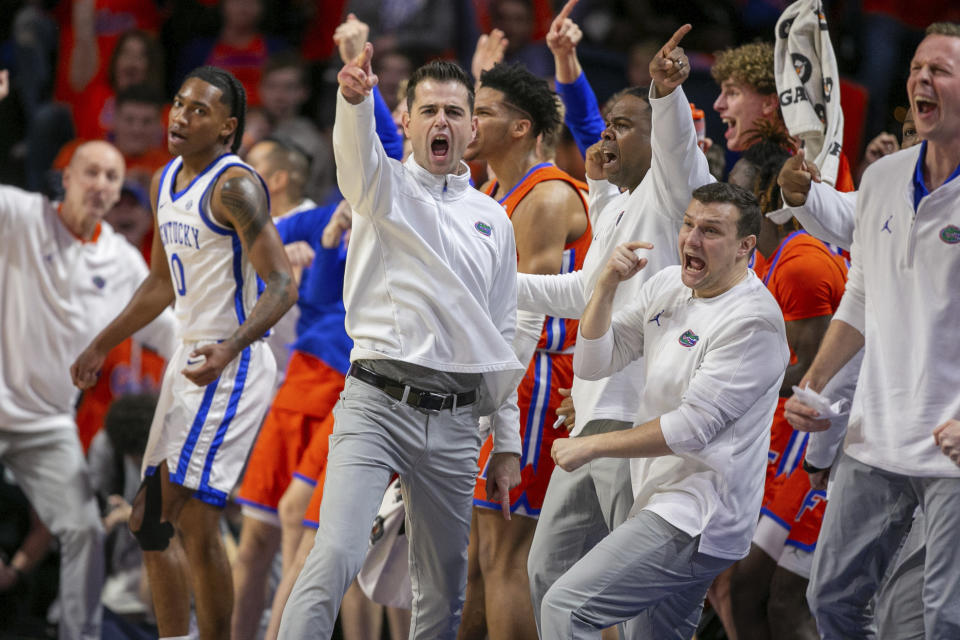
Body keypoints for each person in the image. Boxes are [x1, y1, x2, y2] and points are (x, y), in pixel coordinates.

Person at [276, 48, 524, 639]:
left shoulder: (495, 219)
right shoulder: (379, 186)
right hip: (376, 404)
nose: (442, 121)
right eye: (429, 110)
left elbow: (502, 335)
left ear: (471, 127)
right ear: (406, 122)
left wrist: (508, 441)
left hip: (459, 418)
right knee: (334, 555)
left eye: (455, 112)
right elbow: (354, 154)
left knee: (444, 588)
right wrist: (355, 102)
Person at [71, 66, 298, 640]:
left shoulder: (235, 187)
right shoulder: (163, 178)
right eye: (179, 103)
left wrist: (229, 347)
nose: (180, 115)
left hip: (234, 360)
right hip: (190, 358)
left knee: (174, 517)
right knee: (164, 527)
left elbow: (281, 284)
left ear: (228, 127)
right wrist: (102, 342)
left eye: (199, 110)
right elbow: (158, 284)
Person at [519, 25, 715, 634]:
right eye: (608, 121)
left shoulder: (676, 186)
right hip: (594, 416)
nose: (607, 132)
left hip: (639, 422)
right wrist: (602, 185)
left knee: (637, 610)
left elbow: (679, 147)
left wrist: (665, 95)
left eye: (623, 125)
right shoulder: (624, 204)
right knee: (547, 571)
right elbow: (585, 294)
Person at [544, 182, 789, 638]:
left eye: (711, 231)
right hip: (661, 496)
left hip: (699, 513)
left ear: (745, 247)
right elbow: (594, 362)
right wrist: (603, 289)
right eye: (688, 224)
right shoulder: (668, 285)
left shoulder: (752, 321)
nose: (692, 240)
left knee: (566, 606)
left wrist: (593, 447)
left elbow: (691, 429)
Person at [782, 22, 960, 639]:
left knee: (940, 620)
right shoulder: (883, 181)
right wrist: (816, 381)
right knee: (831, 595)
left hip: (952, 452)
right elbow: (861, 294)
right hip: (876, 433)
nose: (921, 79)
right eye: (916, 68)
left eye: (940, 70)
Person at [0, 63, 175, 638]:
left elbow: (167, 332)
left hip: (47, 422)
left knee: (80, 529)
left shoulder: (123, 260)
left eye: (113, 177)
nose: (102, 185)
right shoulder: (21, 219)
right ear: (66, 178)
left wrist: (225, 352)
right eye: (92, 172)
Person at [458, 60, 590, 640]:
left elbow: (527, 316)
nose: (467, 122)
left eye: (480, 111)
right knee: (476, 559)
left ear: (520, 127)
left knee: (506, 557)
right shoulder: (491, 190)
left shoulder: (547, 195)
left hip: (533, 380)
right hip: (504, 376)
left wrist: (494, 407)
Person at [725, 141, 847, 640]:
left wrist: (723, 390)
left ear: (764, 197)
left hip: (812, 444)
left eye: (735, 193)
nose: (725, 203)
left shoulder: (801, 264)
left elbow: (814, 375)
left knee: (774, 596)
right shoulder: (768, 260)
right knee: (744, 590)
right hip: (780, 440)